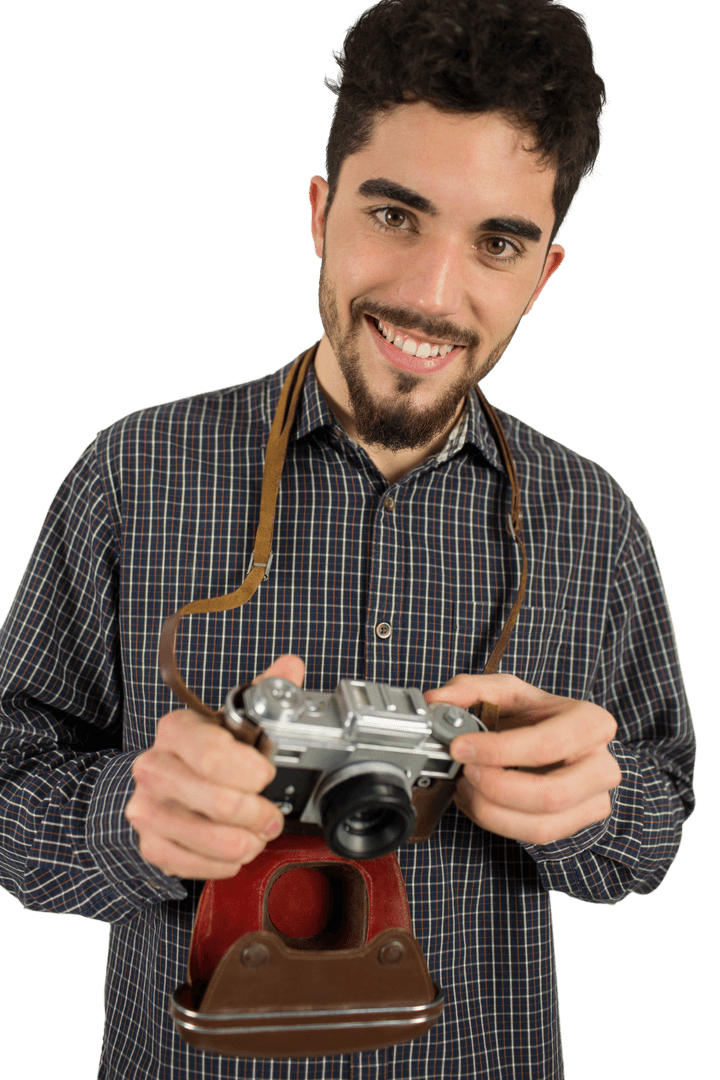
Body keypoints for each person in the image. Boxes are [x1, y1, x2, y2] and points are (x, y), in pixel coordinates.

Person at [0, 1, 696, 1077]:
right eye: (395, 215)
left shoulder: (592, 517)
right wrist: (127, 817)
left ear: (545, 272)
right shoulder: (133, 473)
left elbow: (659, 819)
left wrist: (589, 805)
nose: (431, 294)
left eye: (497, 242)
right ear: (321, 211)